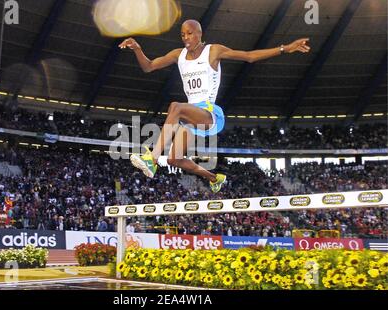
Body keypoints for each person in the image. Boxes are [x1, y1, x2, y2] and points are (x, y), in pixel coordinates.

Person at [119, 19, 310, 192]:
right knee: (173, 159)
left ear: (200, 33)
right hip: (190, 117)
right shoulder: (179, 55)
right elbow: (149, 66)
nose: (186, 37)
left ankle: (151, 159)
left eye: (190, 33)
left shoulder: (213, 51)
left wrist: (286, 48)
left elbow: (249, 56)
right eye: (183, 34)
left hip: (208, 114)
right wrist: (137, 49)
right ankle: (214, 178)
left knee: (175, 106)